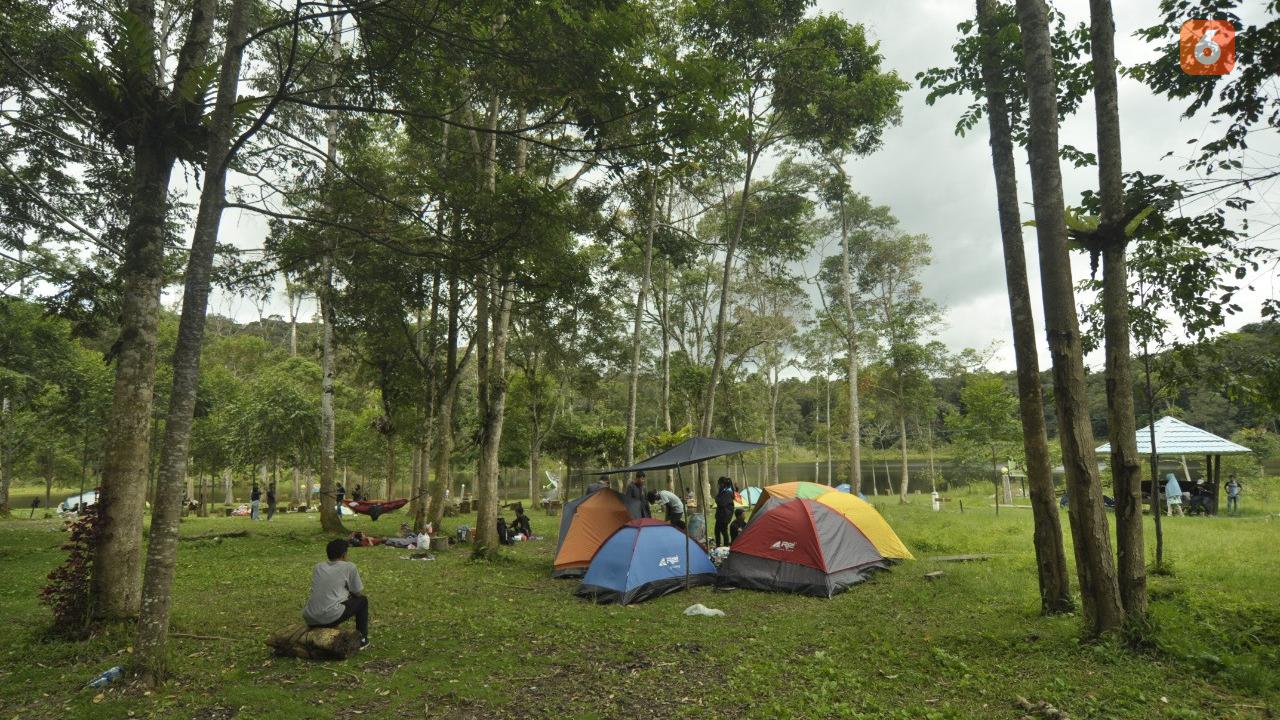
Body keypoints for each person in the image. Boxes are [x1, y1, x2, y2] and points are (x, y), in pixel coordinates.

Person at [303, 539, 369, 650]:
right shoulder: (349, 567)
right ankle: (362, 639)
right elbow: (357, 592)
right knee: (362, 601)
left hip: (310, 616)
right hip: (328, 616)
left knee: (337, 599)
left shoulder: (318, 567)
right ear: (344, 555)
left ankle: (322, 626)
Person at [714, 477, 735, 547]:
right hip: (723, 514)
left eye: (719, 484)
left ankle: (725, 545)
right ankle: (719, 545)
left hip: (724, 515)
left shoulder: (727, 492)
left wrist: (717, 498)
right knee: (718, 530)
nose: (718, 485)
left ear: (722, 484)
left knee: (723, 530)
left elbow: (721, 502)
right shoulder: (725, 491)